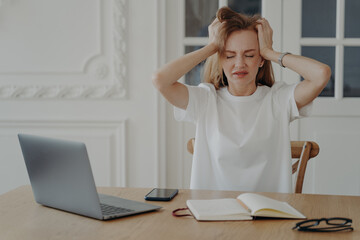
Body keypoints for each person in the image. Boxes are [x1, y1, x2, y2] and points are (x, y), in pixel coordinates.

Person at [152, 7, 331, 193]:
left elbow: (321, 74)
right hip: (213, 216)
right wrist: (212, 47)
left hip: (270, 214)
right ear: (221, 59)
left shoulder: (278, 98)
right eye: (229, 55)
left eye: (250, 55)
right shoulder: (206, 99)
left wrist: (270, 52)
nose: (239, 64)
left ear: (261, 60)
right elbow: (160, 80)